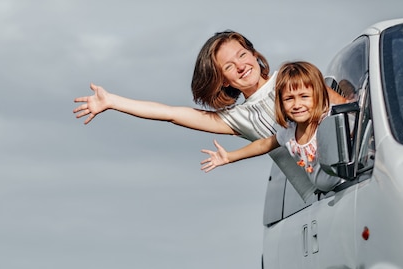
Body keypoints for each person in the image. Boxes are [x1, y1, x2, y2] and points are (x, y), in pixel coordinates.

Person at [73, 30, 345, 200]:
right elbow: (170, 113)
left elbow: (345, 109)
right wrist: (112, 101)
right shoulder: (238, 118)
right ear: (223, 80)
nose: (240, 66)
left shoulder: (292, 81)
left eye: (242, 54)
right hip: (315, 199)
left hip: (349, 175)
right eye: (229, 66)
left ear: (254, 54)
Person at [200, 61, 342, 192]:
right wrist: (230, 157)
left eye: (304, 96)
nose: (297, 105)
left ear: (318, 96)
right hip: (330, 193)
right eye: (289, 99)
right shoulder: (289, 133)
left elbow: (353, 124)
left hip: (345, 183)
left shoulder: (329, 119)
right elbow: (262, 145)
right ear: (280, 103)